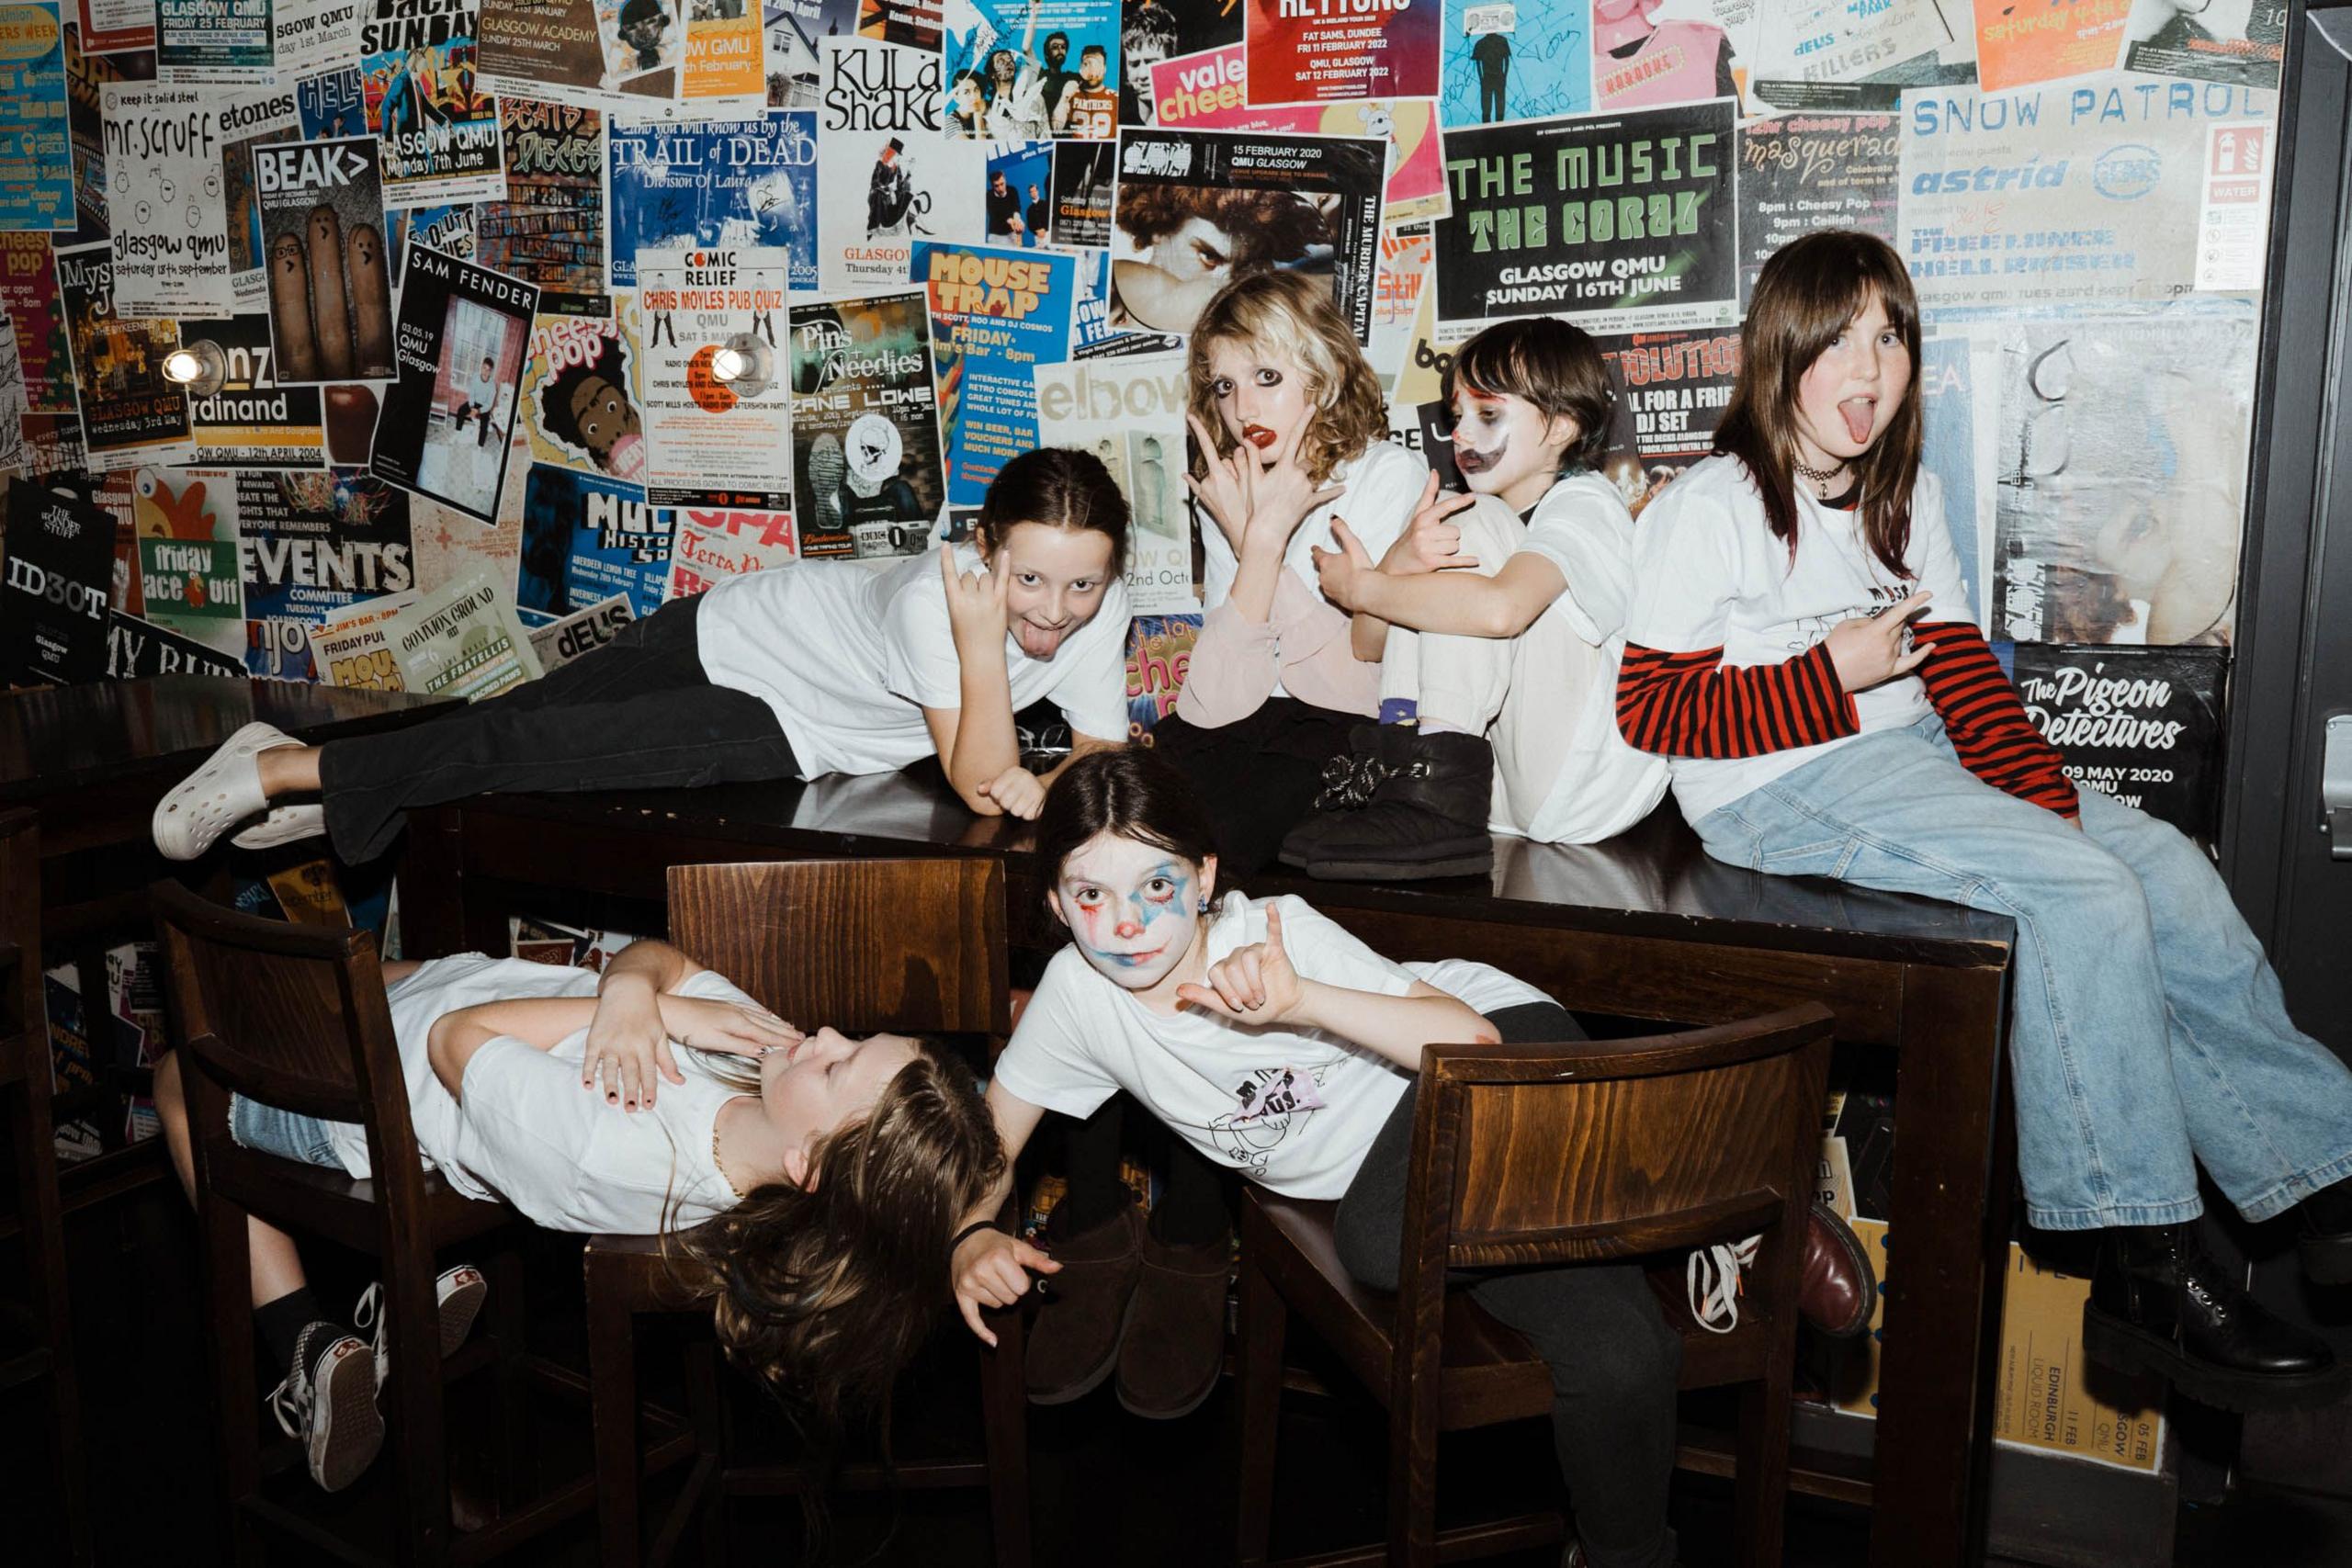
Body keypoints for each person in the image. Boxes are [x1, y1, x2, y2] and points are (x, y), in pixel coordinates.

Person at [1614, 229, 2352, 1411]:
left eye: (1891, 336)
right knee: (2081, 895)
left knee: (2156, 863)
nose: (1870, 367)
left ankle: (2317, 1176)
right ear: (1782, 350)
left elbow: (1959, 672)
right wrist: (1835, 675)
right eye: (1840, 338)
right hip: (1779, 785)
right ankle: (2142, 1259)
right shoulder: (1712, 505)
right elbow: (1651, 710)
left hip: (1910, 753)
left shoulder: (1908, 494)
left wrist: (2049, 804)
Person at [951, 750, 1686, 1566]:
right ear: (1057, 901)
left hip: (1502, 1060)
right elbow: (989, 1142)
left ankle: (1668, 1176)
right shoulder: (1076, 996)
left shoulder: (1273, 935)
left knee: (1375, 1239)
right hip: (1456, 1190)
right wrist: (971, 1232)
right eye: (1092, 895)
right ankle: (1672, 1215)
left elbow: (1472, 1041)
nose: (1126, 923)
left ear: (1204, 876)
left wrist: (1300, 1002)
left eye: (1156, 885)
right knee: (1619, 1354)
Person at [152, 936, 1002, 1493]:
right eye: (851, 1037)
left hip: (363, 1091)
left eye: (837, 1063)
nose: (821, 1033)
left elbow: (456, 1041)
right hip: (440, 986)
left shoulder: (614, 1147)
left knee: (172, 1079)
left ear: (807, 1167)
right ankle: (389, 1324)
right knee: (334, 969)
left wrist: (651, 1010)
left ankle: (301, 1343)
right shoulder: (767, 1070)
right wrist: (635, 989)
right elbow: (657, 960)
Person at [153, 447, 1133, 863]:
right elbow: (987, 778)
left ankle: (303, 778)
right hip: (726, 629)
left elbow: (1092, 745)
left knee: (534, 755)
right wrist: (977, 642)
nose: (1055, 611)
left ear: (1110, 574)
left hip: (786, 721)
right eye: (1029, 580)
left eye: (1082, 584)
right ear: (986, 550)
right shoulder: (944, 603)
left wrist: (1055, 779)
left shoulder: (1100, 608)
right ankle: (284, 766)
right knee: (515, 726)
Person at [1293, 316, 1668, 880]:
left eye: (1488, 414)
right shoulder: (1467, 516)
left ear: (1563, 427)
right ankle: (1406, 778)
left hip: (1591, 778)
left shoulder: (1586, 503)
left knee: (1473, 523)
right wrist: (1400, 561)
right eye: (1457, 417)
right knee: (1452, 532)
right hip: (1500, 795)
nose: (1461, 435)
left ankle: (1430, 792)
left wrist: (1364, 586)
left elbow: (1501, 611)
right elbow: (1368, 644)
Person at [1148, 269, 1429, 877]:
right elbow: (1216, 700)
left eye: (1266, 377)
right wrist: (1259, 539)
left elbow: (1354, 683)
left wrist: (1263, 541)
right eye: (1223, 386)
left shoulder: (1384, 472)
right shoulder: (1225, 486)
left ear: (1324, 376)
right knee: (1134, 825)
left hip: (1346, 733)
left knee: (1220, 840)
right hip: (1237, 728)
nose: (1242, 407)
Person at [1119, 2, 1178, 129]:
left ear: (1172, 64)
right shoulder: (1119, 122)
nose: (1142, 74)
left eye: (1152, 63)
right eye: (1134, 65)